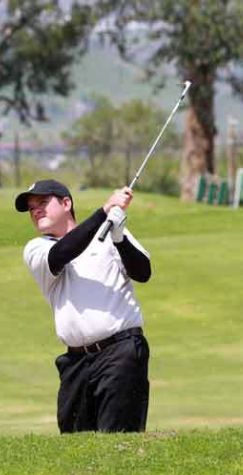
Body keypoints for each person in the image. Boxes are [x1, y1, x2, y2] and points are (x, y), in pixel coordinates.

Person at [15, 179, 152, 433]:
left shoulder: (111, 231)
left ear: (66, 203)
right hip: (76, 363)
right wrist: (103, 212)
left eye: (43, 203)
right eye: (32, 208)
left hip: (121, 352)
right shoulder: (37, 249)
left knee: (118, 441)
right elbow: (63, 253)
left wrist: (120, 237)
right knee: (76, 445)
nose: (36, 211)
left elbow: (143, 272)